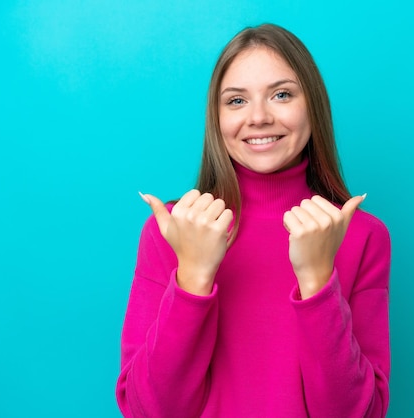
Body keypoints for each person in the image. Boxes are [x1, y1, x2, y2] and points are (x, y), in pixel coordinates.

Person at [116, 23, 391, 418]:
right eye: (236, 101)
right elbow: (148, 410)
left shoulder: (361, 236)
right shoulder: (175, 230)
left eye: (281, 95)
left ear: (312, 104)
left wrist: (317, 283)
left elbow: (357, 413)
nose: (259, 117)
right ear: (217, 118)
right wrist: (193, 275)